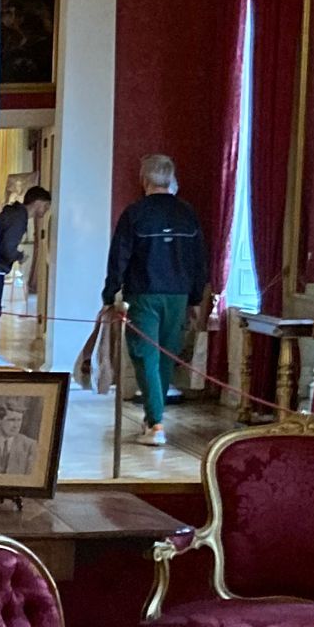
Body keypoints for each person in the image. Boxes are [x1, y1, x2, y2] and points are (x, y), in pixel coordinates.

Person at [103, 154, 209, 446]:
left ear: (144, 179)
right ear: (171, 178)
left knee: (144, 355)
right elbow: (199, 259)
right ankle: (155, 419)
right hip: (178, 295)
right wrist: (197, 297)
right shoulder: (186, 213)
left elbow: (119, 257)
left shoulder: (134, 213)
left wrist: (110, 293)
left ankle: (156, 422)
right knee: (166, 355)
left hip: (144, 293)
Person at [0, 182, 51, 351]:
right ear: (38, 203)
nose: (46, 210)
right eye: (46, 205)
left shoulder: (13, 214)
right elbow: (7, 247)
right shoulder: (19, 218)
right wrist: (19, 256)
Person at [0, 394, 40, 480]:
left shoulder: (30, 446)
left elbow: (31, 480)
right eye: (12, 420)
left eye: (19, 420)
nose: (16, 426)